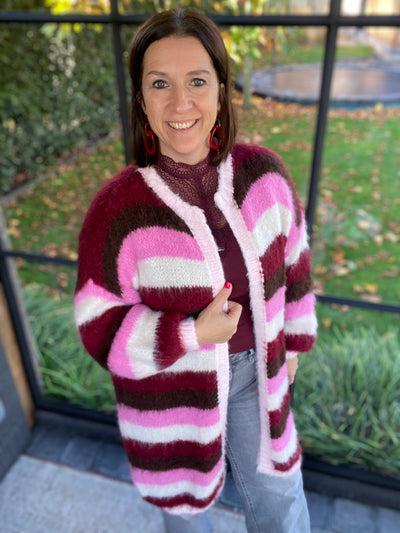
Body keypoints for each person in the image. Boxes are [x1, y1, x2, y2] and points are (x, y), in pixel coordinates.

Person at [74, 6, 317, 533]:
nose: (180, 102)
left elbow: (295, 262)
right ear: (141, 98)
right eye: (160, 83)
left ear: (221, 91)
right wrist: (191, 334)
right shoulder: (117, 210)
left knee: (282, 503)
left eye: (197, 81)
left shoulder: (265, 175)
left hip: (256, 376)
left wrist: (294, 345)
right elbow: (98, 323)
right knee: (185, 515)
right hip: (168, 393)